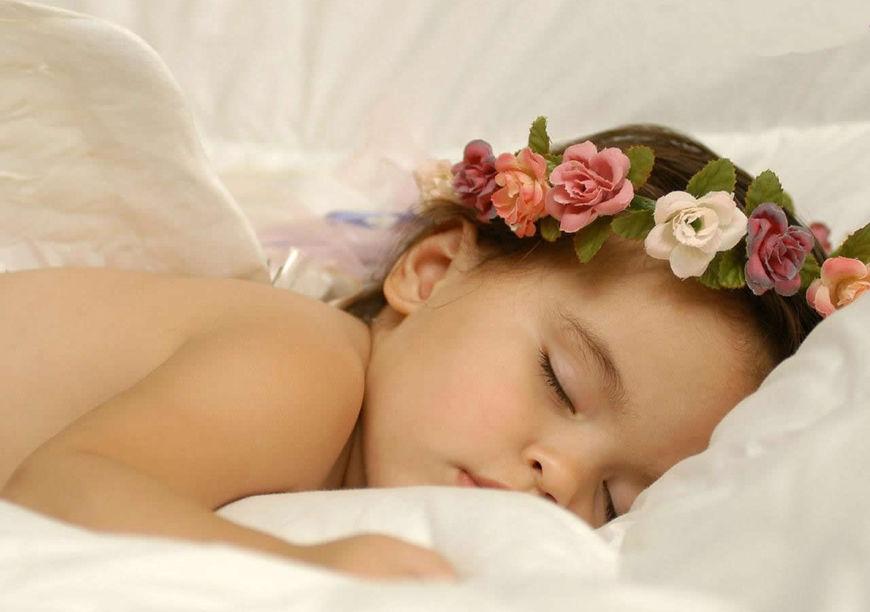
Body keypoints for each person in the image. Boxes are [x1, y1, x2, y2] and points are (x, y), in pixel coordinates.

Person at [2, 120, 858, 583]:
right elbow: (65, 489)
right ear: (432, 270)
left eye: (614, 497)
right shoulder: (302, 361)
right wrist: (307, 572)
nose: (559, 475)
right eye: (561, 383)